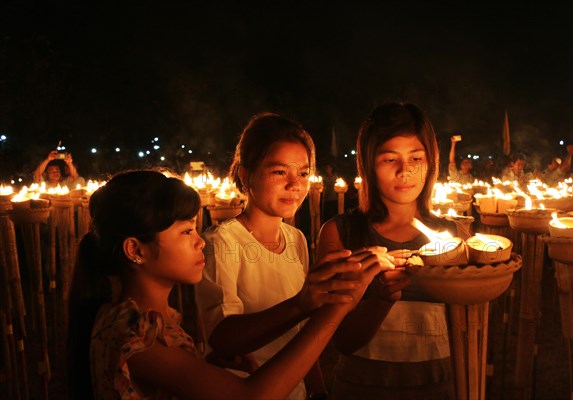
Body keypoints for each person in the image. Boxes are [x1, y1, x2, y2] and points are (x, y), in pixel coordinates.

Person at [67, 169, 386, 399]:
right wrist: (339, 307)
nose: (199, 242)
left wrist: (205, 371)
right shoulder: (136, 336)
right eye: (185, 232)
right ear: (136, 249)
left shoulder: (152, 320)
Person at [195, 113, 391, 400]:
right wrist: (300, 305)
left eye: (302, 172)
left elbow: (301, 332)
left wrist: (316, 388)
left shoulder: (295, 239)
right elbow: (222, 337)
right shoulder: (222, 241)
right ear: (245, 174)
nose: (295, 184)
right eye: (279, 172)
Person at [318, 101, 458, 399]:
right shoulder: (341, 233)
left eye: (416, 158)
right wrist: (381, 297)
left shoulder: (454, 236)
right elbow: (340, 340)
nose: (405, 171)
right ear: (369, 164)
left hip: (440, 387)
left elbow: (466, 327)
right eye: (389, 159)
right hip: (362, 388)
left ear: (431, 162)